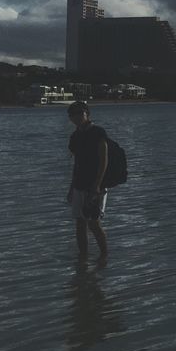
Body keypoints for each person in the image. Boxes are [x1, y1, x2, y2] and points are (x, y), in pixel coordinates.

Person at [67, 100, 109, 260]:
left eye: (80, 113)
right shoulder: (75, 136)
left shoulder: (98, 132)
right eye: (72, 115)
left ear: (87, 114)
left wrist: (97, 185)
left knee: (93, 222)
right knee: (79, 222)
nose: (76, 117)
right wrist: (71, 188)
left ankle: (104, 257)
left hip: (96, 184)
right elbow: (76, 164)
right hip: (79, 184)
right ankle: (83, 257)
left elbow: (104, 160)